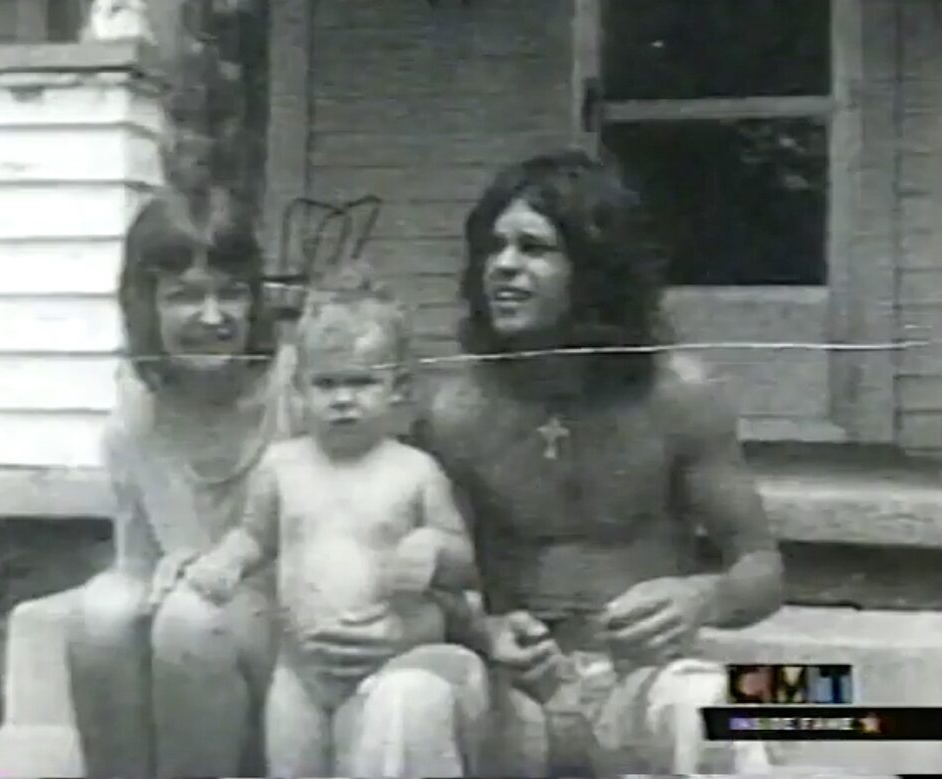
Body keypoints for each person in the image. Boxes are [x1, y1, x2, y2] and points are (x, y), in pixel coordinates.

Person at [410, 149, 785, 775]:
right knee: (408, 698)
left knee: (741, 704)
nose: (502, 267)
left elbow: (763, 567)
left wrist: (703, 597)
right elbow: (439, 580)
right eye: (492, 248)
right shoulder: (457, 413)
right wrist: (484, 632)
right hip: (514, 697)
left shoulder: (679, 395)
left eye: (532, 248)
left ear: (593, 269)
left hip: (641, 684)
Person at [186, 263, 480, 776]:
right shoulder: (283, 465)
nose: (343, 399)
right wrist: (225, 561)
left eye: (361, 382)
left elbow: (463, 559)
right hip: (299, 672)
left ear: (399, 388)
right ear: (299, 390)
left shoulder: (414, 471)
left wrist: (433, 546)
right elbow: (253, 536)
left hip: (382, 663)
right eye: (326, 383)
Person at [65, 194, 300, 778]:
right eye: (184, 296)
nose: (213, 316)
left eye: (231, 292)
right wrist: (167, 577)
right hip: (183, 635)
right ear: (146, 305)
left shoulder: (296, 391)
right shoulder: (135, 416)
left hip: (289, 629)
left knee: (191, 619)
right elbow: (137, 561)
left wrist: (221, 571)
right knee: (101, 611)